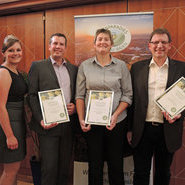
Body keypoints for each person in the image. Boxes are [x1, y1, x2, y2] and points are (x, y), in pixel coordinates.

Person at [127, 28, 185, 185]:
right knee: (140, 173)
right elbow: (132, 101)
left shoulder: (182, 68)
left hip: (168, 130)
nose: (159, 45)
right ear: (149, 45)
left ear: (170, 45)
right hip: (142, 130)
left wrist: (180, 114)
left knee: (163, 174)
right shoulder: (137, 68)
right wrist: (129, 129)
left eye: (163, 42)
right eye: (156, 42)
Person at [76, 28, 132, 185]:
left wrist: (115, 115)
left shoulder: (121, 66)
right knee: (95, 164)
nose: (102, 42)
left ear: (111, 44)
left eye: (106, 39)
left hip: (117, 122)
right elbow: (79, 96)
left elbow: (128, 95)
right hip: (92, 123)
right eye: (99, 39)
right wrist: (81, 119)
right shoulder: (85, 66)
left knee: (116, 164)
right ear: (94, 44)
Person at [28, 33, 78, 185]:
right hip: (48, 126)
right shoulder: (37, 66)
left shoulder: (74, 69)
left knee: (64, 169)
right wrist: (41, 119)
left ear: (65, 48)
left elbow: (77, 94)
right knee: (49, 169)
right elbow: (32, 96)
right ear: (49, 46)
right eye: (55, 43)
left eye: (61, 44)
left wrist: (75, 106)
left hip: (68, 126)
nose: (58, 46)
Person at [0, 35, 27, 185]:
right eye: (11, 50)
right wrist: (9, 135)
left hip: (17, 122)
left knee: (14, 168)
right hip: (9, 124)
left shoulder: (16, 72)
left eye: (18, 49)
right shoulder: (4, 72)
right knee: (10, 170)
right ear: (3, 53)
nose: (16, 53)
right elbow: (0, 106)